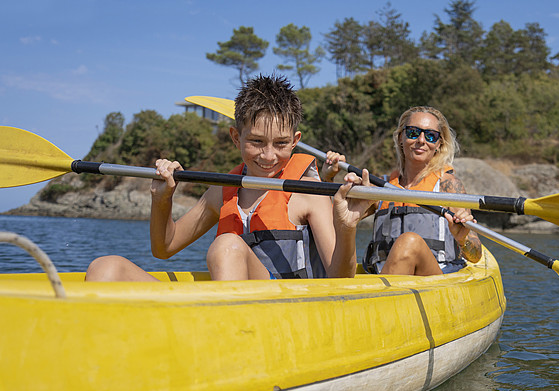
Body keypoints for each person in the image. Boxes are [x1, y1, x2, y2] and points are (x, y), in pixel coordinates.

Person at [85, 74, 373, 282]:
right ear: (236, 137)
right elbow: (164, 248)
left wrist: (346, 228)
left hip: (288, 316)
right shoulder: (221, 193)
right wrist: (162, 199)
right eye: (257, 142)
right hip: (228, 314)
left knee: (227, 245)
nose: (269, 156)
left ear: (295, 140)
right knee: (106, 267)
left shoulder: (309, 191)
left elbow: (340, 278)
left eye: (281, 143)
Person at [329, 106, 482, 276]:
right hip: (384, 277)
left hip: (433, 279)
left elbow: (475, 256)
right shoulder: (382, 187)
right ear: (401, 137)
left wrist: (462, 239)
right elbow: (333, 223)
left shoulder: (449, 186)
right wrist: (329, 178)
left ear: (439, 144)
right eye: (413, 132)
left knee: (410, 242)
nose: (421, 140)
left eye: (431, 135)